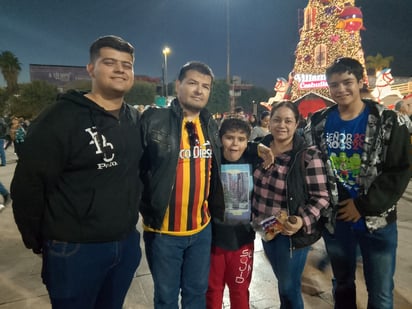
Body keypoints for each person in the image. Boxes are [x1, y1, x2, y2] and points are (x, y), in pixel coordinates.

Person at [11, 35, 142, 309]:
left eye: (126, 64)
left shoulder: (134, 119)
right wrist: (39, 240)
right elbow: (28, 185)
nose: (120, 69)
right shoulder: (60, 117)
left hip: (125, 244)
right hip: (76, 250)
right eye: (110, 62)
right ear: (91, 69)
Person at [305, 57, 411, 309]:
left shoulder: (388, 121)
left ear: (360, 82)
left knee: (381, 291)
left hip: (378, 224)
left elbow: (399, 170)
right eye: (334, 85)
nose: (341, 89)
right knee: (342, 284)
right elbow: (304, 157)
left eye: (347, 82)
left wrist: (362, 206)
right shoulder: (318, 122)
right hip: (336, 221)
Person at [140, 61, 222, 308]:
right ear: (178, 85)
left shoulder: (210, 124)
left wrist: (256, 147)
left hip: (201, 229)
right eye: (193, 83)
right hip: (164, 232)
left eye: (205, 86)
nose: (199, 90)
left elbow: (228, 154)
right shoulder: (154, 120)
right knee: (166, 298)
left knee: (196, 293)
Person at [252, 100, 330, 308]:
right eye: (276, 120)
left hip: (291, 234)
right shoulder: (259, 150)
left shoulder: (308, 155)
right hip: (265, 230)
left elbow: (322, 196)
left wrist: (301, 220)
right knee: (283, 283)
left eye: (288, 120)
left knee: (289, 287)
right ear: (269, 123)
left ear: (297, 124)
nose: (282, 125)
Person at [206, 117, 258, 309]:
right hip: (214, 241)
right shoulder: (211, 160)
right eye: (229, 137)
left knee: (239, 290)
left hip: (243, 240)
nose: (235, 144)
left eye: (241, 139)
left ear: (247, 142)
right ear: (220, 139)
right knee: (213, 291)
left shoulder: (254, 160)